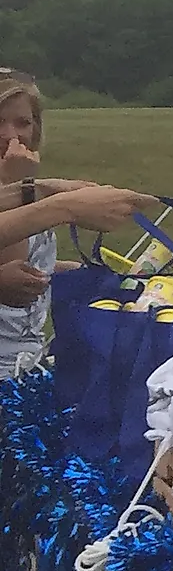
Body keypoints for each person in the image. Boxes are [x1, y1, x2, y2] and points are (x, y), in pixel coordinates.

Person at [0, 71, 150, 368]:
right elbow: (17, 286)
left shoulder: (23, 190)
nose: (10, 135)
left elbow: (28, 264)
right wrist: (15, 183)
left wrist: (77, 272)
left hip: (26, 357)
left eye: (23, 123)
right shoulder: (17, 186)